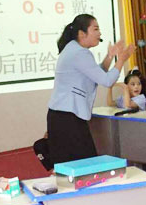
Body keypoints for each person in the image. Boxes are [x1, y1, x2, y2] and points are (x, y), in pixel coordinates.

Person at [47, 14, 134, 164]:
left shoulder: (74, 49)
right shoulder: (79, 53)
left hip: (64, 116)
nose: (99, 33)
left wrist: (110, 56)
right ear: (82, 34)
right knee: (84, 165)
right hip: (67, 118)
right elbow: (107, 81)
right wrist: (121, 60)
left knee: (75, 167)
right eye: (95, 29)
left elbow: (97, 73)